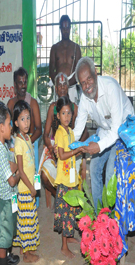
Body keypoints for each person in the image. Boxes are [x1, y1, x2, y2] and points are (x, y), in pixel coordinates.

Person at [73, 57, 134, 209]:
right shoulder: (85, 99)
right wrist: (62, 144)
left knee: (110, 173)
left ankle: (113, 217)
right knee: (93, 169)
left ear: (95, 74)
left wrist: (98, 146)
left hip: (123, 130)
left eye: (89, 79)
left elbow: (116, 129)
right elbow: (78, 130)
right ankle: (99, 214)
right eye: (83, 83)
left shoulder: (110, 87)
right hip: (106, 130)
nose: (87, 86)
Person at [39, 72, 88, 208]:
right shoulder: (52, 108)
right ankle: (60, 197)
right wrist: (51, 147)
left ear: (68, 87)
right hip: (55, 147)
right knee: (44, 175)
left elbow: (85, 132)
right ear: (55, 88)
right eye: (59, 85)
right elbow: (45, 134)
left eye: (64, 84)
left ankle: (72, 199)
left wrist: (77, 147)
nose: (62, 88)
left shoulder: (74, 108)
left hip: (72, 149)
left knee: (74, 176)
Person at [0, 103, 20, 265]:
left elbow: (10, 167)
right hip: (4, 201)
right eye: (9, 124)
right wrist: (19, 170)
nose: (11, 127)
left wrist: (14, 168)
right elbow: (13, 179)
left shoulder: (2, 145)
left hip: (10, 196)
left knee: (10, 230)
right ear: (1, 127)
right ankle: (2, 259)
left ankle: (7, 255)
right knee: (4, 235)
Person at [54, 96, 83, 259]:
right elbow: (63, 155)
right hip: (64, 181)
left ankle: (70, 235)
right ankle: (63, 246)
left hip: (72, 179)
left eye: (69, 113)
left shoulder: (70, 131)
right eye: (63, 113)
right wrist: (76, 151)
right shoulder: (59, 133)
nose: (67, 117)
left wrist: (79, 148)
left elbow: (72, 150)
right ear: (58, 115)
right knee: (65, 213)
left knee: (72, 211)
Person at [12, 100, 40, 263]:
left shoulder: (27, 137)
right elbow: (20, 170)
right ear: (15, 122)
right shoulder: (18, 142)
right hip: (24, 189)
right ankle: (26, 254)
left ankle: (27, 248)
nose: (27, 122)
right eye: (22, 119)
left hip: (29, 186)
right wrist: (31, 187)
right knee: (26, 222)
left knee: (28, 219)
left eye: (28, 118)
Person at [49, 15, 82, 103]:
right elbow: (51, 69)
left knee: (72, 112)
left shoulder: (76, 48)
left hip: (71, 87)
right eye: (63, 28)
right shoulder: (55, 48)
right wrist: (59, 85)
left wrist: (67, 85)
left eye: (67, 27)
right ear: (60, 28)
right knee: (59, 113)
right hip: (59, 88)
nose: (65, 30)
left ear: (70, 28)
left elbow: (79, 70)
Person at [7, 67, 42, 144]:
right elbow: (6, 126)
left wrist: (28, 143)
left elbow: (39, 129)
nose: (23, 86)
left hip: (29, 141)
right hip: (15, 143)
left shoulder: (33, 103)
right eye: (20, 83)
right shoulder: (11, 103)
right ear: (15, 84)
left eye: (25, 82)